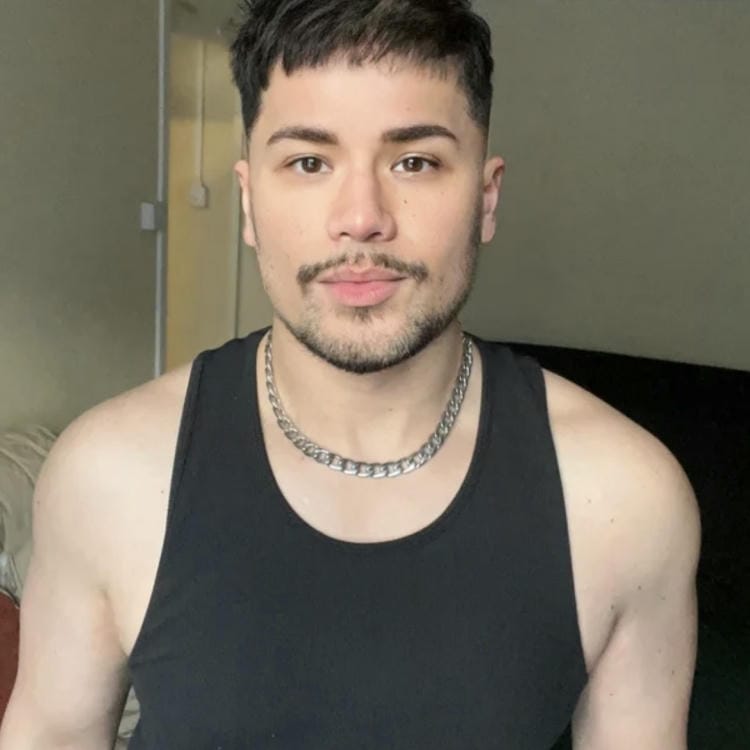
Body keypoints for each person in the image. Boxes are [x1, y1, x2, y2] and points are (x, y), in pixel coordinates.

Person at [0, 0, 700, 748]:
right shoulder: (106, 473)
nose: (361, 217)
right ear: (249, 202)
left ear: (486, 199)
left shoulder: (624, 499)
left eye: (415, 161)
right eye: (309, 162)